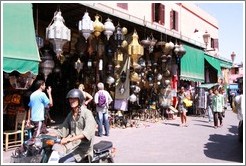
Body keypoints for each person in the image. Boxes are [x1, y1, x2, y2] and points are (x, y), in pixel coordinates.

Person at [52, 89, 97, 163]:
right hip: (71, 145)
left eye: (74, 98)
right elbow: (62, 129)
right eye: (70, 99)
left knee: (63, 161)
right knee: (53, 155)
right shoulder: (71, 114)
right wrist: (47, 135)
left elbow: (87, 132)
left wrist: (69, 139)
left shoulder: (87, 113)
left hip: (83, 148)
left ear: (80, 100)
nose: (71, 101)